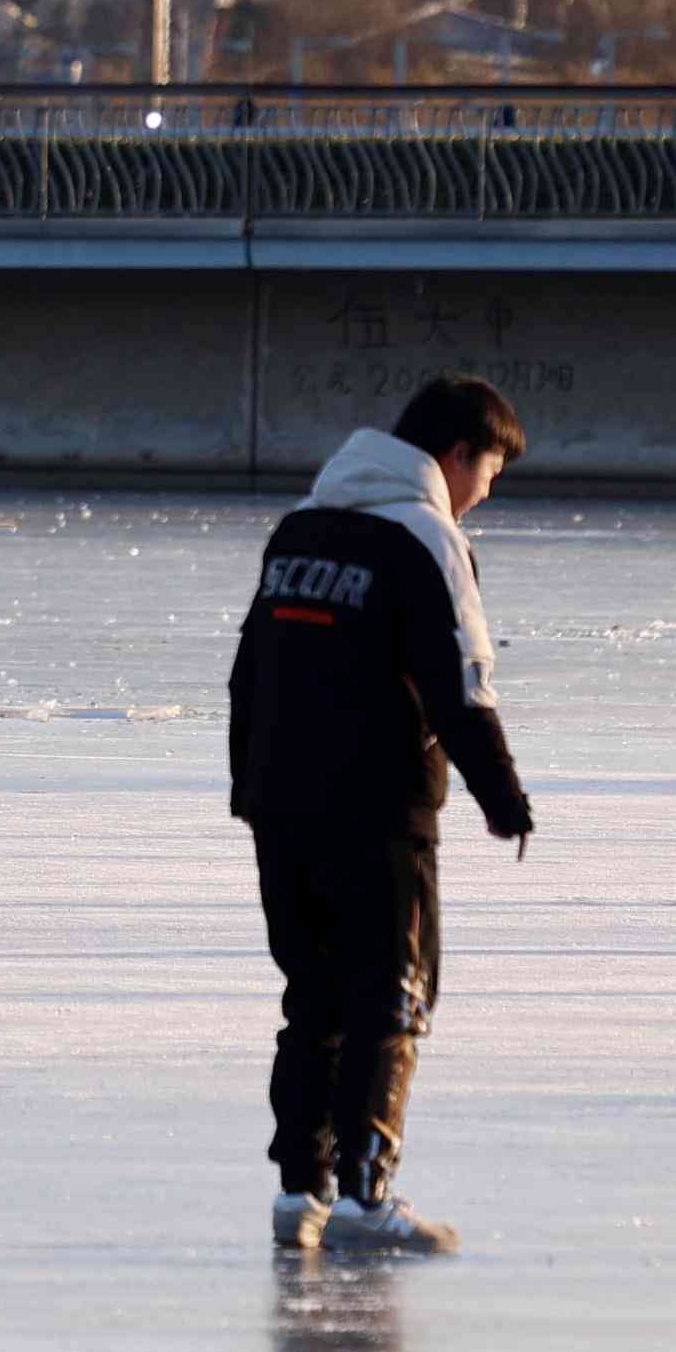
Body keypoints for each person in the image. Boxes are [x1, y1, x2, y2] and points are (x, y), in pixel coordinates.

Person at [231, 373, 538, 1252]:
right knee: (391, 997)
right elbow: (460, 688)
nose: (484, 494)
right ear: (456, 454)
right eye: (490, 473)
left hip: (282, 808)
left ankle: (302, 1193)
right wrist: (503, 799)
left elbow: (249, 674)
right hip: (380, 812)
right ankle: (368, 1198)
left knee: (314, 996)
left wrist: (248, 791)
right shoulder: (425, 539)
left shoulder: (300, 529)